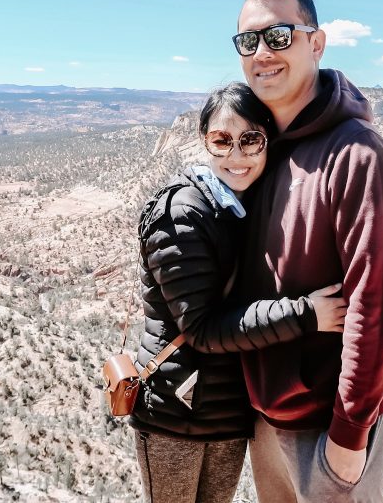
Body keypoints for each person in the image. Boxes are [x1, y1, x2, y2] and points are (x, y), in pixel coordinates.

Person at [233, 0, 383, 502]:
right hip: (265, 418)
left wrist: (349, 436)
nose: (262, 53)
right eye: (248, 41)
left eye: (279, 36)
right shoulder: (260, 150)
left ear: (316, 42)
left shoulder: (358, 155)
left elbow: (377, 303)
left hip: (327, 431)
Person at [129, 82, 348, 503]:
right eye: (222, 140)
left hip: (227, 416)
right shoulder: (183, 215)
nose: (237, 155)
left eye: (251, 140)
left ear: (268, 141)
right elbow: (203, 329)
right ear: (204, 142)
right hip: (173, 413)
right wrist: (306, 315)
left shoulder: (245, 210)